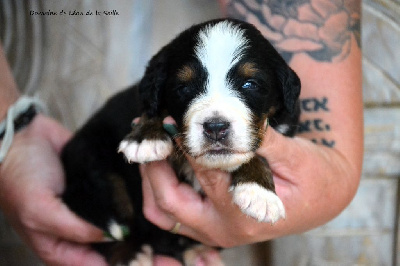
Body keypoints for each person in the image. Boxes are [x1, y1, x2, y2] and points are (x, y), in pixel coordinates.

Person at [0, 0, 362, 265]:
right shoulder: (155, 102)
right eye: (188, 88)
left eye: (249, 84)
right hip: (70, 145)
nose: (217, 118)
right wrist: (8, 131)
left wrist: (330, 178)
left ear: (282, 89)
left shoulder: (282, 106)